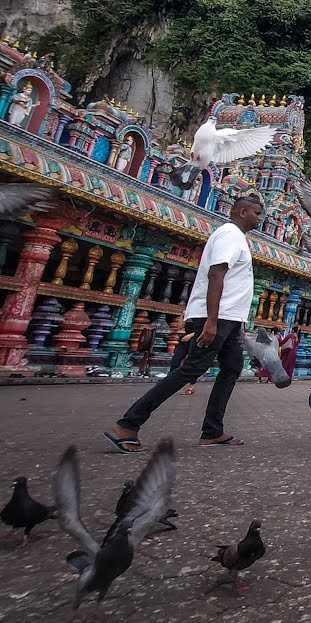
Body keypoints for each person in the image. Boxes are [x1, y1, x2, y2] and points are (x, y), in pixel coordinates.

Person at [105, 193, 264, 451]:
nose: (260, 219)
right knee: (190, 370)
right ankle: (128, 424)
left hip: (228, 319)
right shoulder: (229, 234)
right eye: (257, 213)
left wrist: (236, 321)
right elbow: (216, 274)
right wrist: (211, 321)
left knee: (232, 367)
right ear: (243, 211)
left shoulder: (239, 239)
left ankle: (212, 431)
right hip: (215, 316)